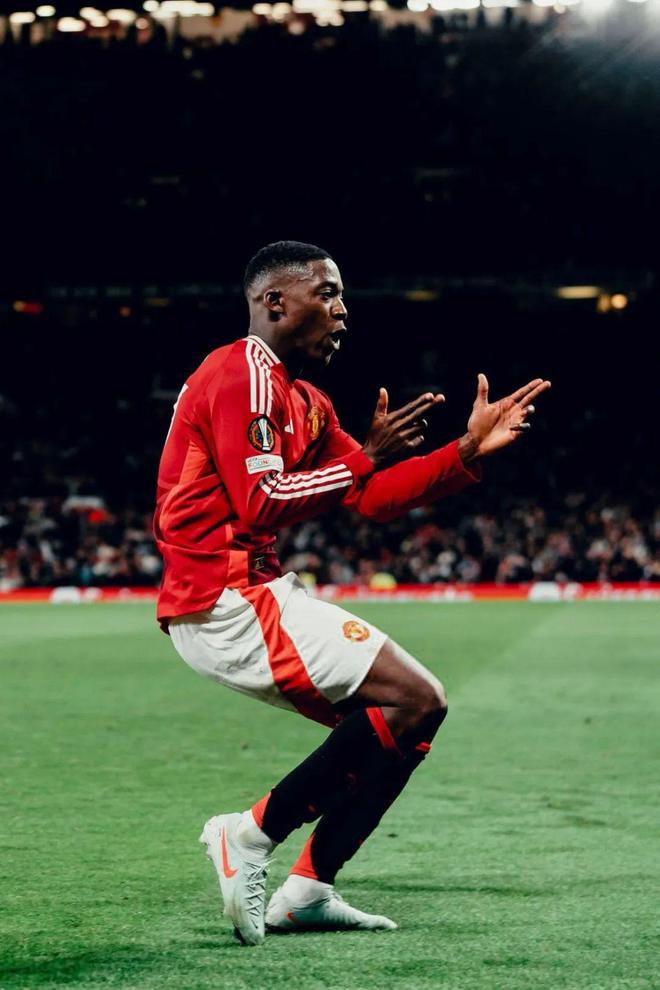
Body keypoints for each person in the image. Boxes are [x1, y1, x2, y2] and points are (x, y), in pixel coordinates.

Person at [153, 240, 550, 946]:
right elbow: (262, 499)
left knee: (405, 721)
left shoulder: (305, 398)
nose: (342, 311)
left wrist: (463, 452)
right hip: (224, 595)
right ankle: (249, 835)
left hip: (250, 591)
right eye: (328, 293)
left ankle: (309, 889)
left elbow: (370, 496)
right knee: (415, 697)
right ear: (276, 302)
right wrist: (365, 456)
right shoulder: (243, 371)